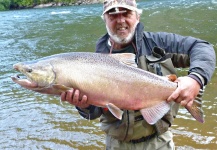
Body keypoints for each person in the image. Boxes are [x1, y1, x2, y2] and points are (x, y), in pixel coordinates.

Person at [60, 0, 216, 149]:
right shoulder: (94, 62)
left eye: (126, 13)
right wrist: (84, 106)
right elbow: (93, 113)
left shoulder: (158, 44)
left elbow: (202, 48)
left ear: (137, 16)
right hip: (116, 145)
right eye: (113, 15)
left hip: (159, 142)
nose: (120, 20)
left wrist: (196, 79)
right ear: (104, 19)